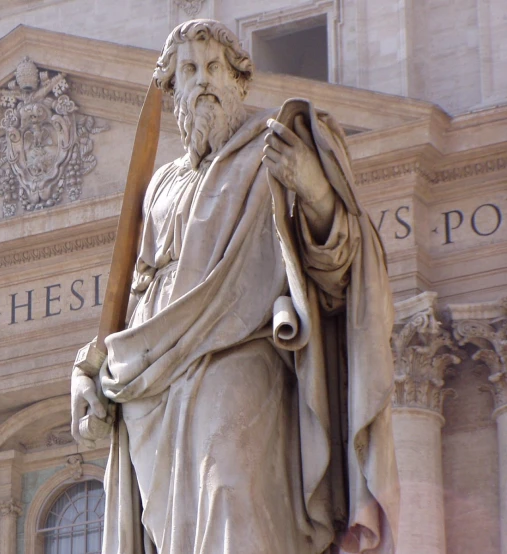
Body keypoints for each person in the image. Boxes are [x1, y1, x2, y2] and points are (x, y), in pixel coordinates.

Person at [71, 19, 399, 554]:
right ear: (172, 88)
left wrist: (314, 192)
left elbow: (338, 273)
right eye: (188, 71)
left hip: (240, 353)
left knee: (230, 488)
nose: (202, 81)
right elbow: (134, 296)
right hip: (155, 382)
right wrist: (91, 368)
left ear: (238, 79)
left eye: (213, 68)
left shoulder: (271, 150)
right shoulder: (161, 186)